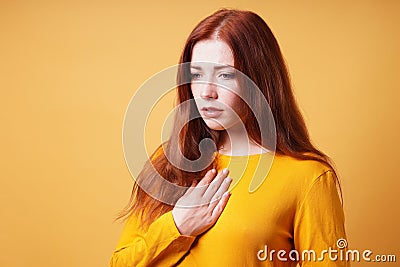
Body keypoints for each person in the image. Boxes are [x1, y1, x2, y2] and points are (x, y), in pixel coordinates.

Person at [110, 9, 349, 267]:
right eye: (197, 74)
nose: (206, 92)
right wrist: (177, 225)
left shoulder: (308, 178)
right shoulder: (171, 159)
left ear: (259, 80)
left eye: (225, 75)